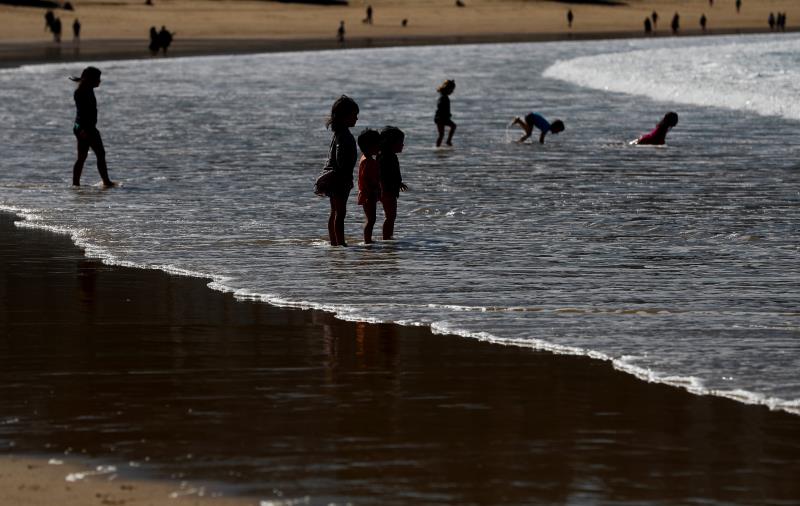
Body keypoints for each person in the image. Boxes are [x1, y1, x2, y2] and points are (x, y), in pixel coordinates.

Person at [69, 67, 115, 188]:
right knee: (100, 153)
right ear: (89, 79)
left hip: (81, 127)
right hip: (86, 127)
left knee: (82, 157)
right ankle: (107, 182)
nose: (99, 81)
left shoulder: (86, 89)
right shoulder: (82, 92)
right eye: (97, 78)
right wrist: (83, 130)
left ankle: (75, 185)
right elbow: (83, 113)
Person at [322, 95, 359, 246]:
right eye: (354, 115)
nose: (356, 118)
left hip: (334, 177)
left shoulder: (338, 133)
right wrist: (344, 175)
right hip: (339, 179)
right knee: (340, 212)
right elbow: (340, 160)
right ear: (344, 117)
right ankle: (340, 243)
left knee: (334, 211)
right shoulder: (344, 135)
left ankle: (334, 242)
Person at [378, 126, 407, 240]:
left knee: (391, 216)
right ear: (391, 143)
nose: (402, 145)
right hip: (387, 190)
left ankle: (388, 237)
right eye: (400, 142)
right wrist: (384, 188)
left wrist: (399, 183)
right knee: (390, 216)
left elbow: (393, 173)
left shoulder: (390, 156)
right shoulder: (385, 157)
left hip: (390, 189)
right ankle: (386, 238)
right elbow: (382, 175)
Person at [356, 129, 381, 244]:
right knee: (371, 219)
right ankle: (367, 241)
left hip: (368, 192)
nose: (380, 147)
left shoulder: (367, 158)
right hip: (368, 194)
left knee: (371, 218)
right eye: (377, 144)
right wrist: (372, 190)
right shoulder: (368, 161)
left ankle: (368, 239)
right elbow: (365, 177)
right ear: (369, 146)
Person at [434, 79, 456, 147]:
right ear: (447, 88)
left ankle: (446, 142)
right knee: (441, 134)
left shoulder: (444, 97)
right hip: (440, 118)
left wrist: (448, 115)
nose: (452, 91)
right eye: (451, 90)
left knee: (452, 127)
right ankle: (440, 146)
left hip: (443, 118)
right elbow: (440, 107)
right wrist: (446, 114)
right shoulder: (443, 97)